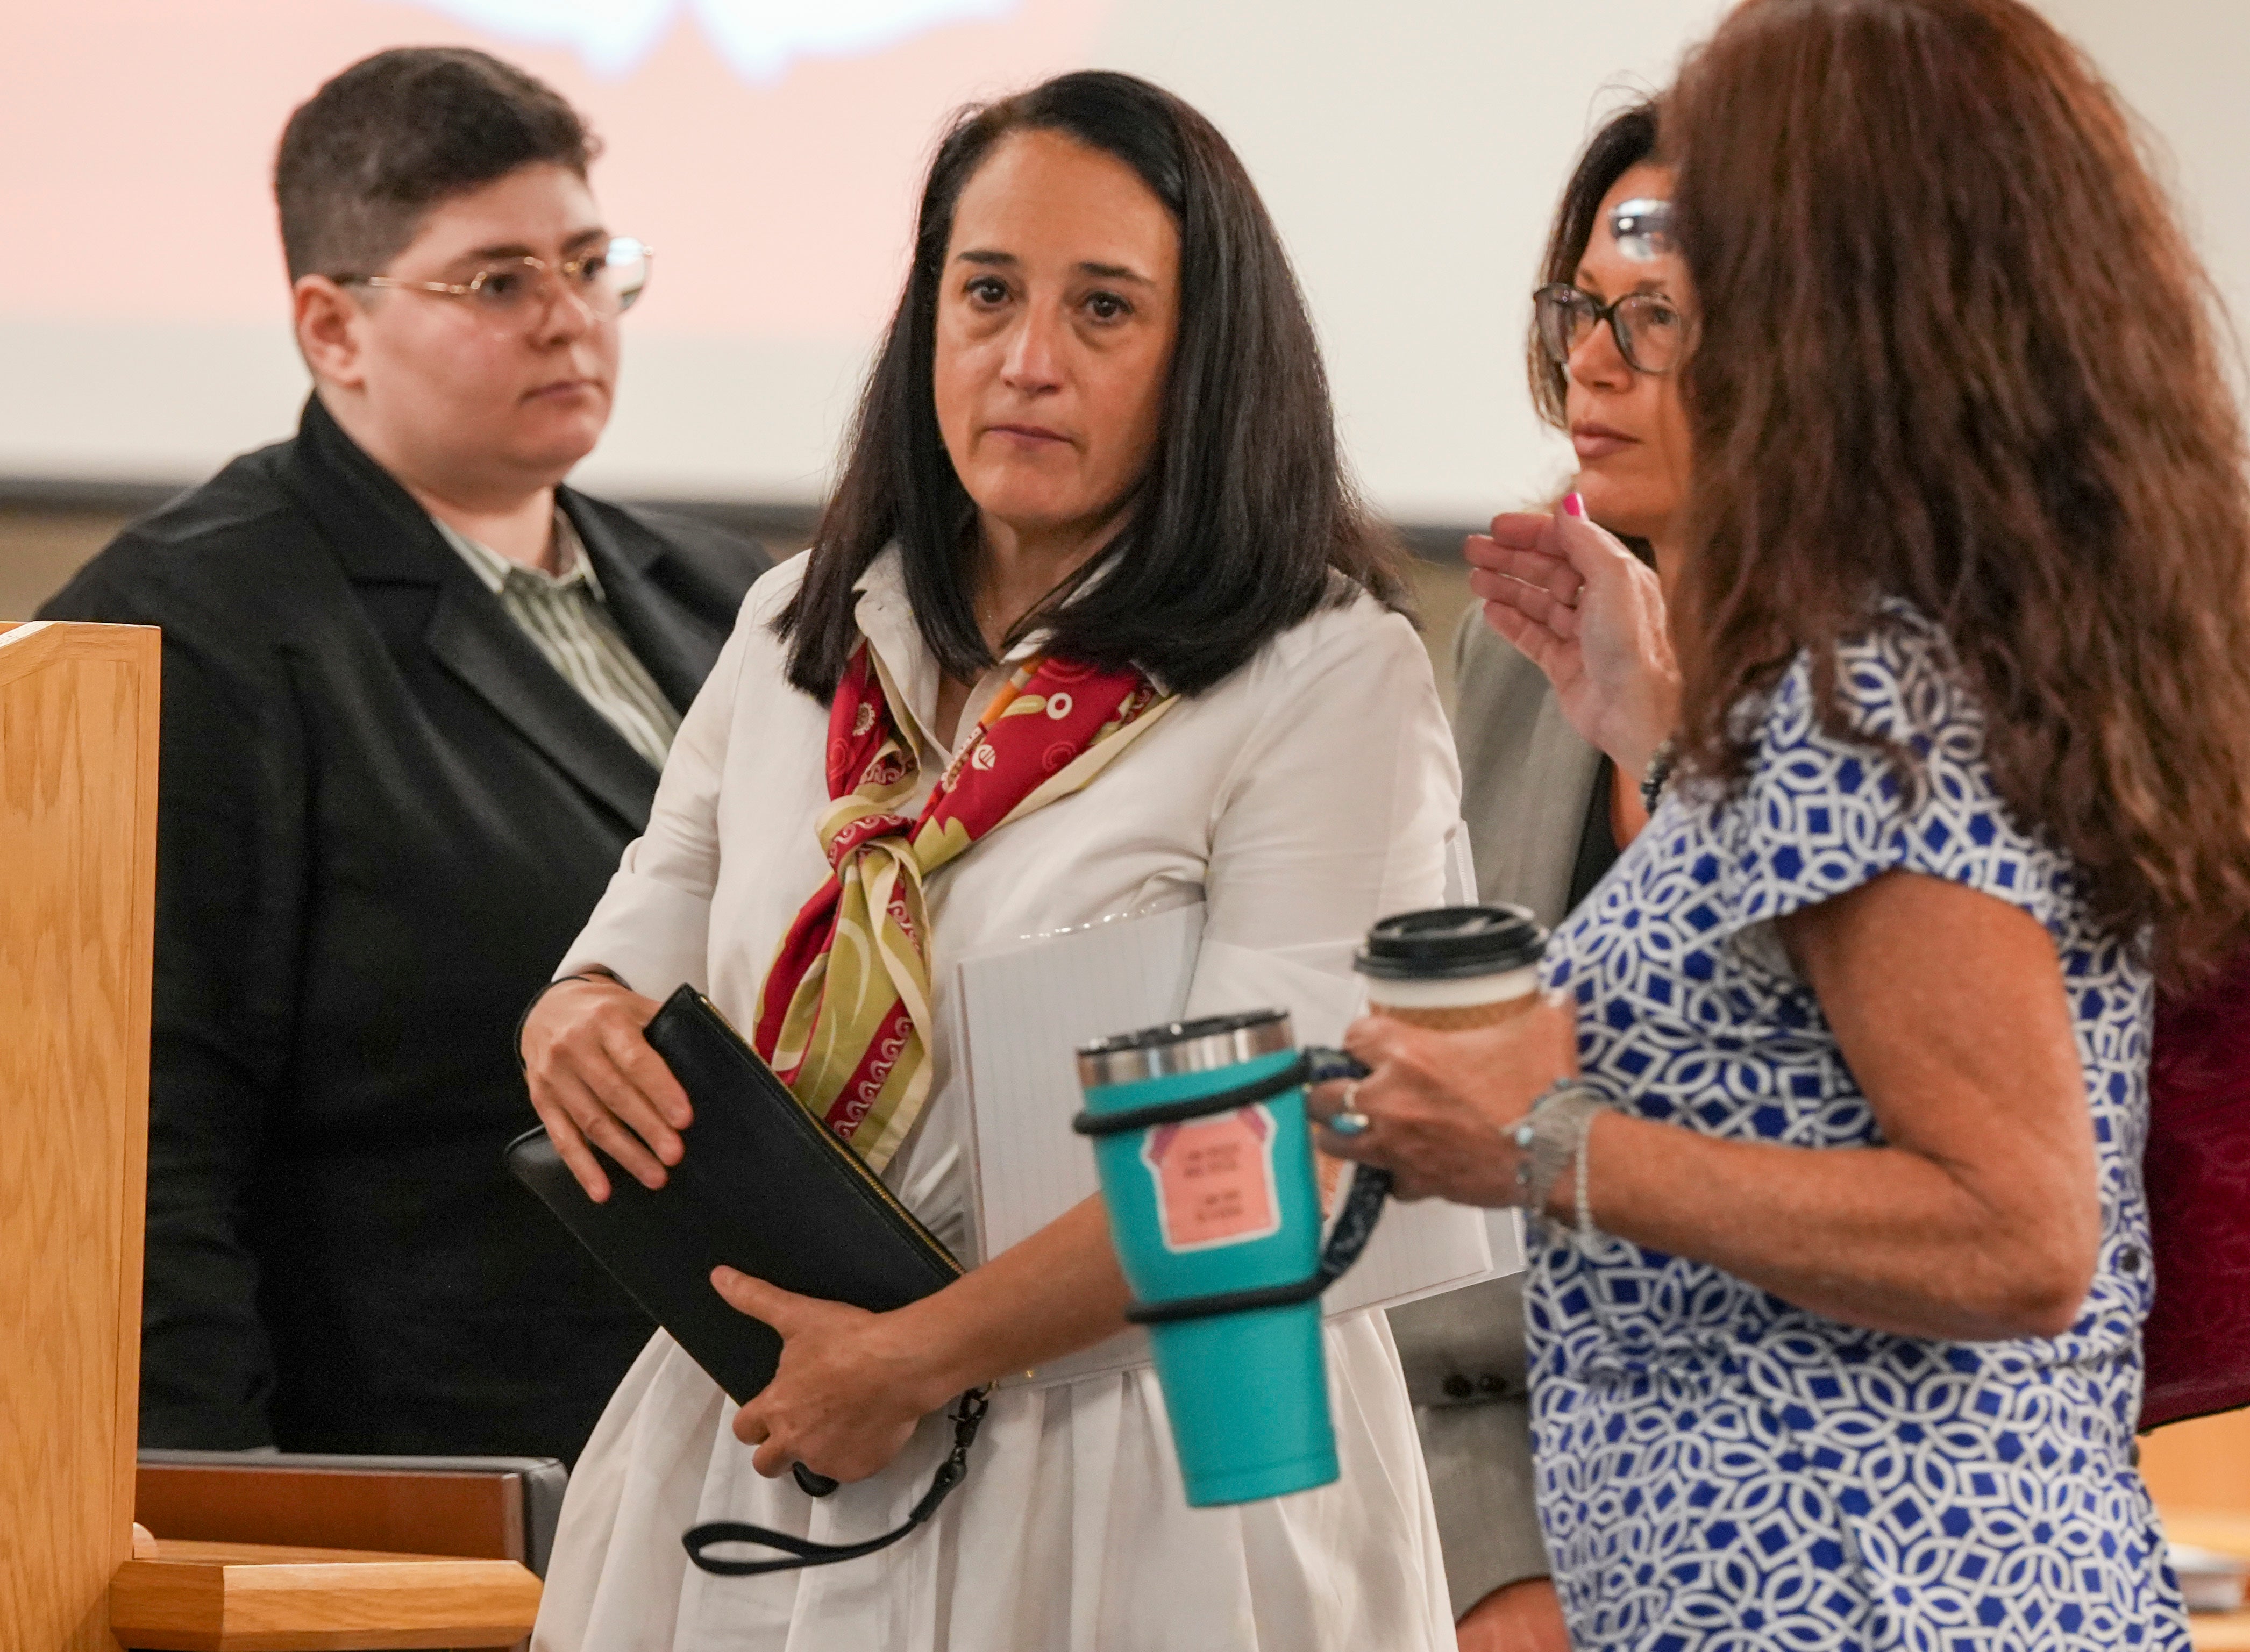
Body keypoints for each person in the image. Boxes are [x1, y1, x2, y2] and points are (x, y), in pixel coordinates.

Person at [1317, 0, 2250, 1644]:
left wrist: (1540, 1144)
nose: (1607, 356)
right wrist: (1668, 743)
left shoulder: (1863, 678)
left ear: (1831, 298)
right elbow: (1822, 1048)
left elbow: (2015, 1232)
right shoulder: (1896, 658)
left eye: (1690, 284)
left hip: (1873, 1600)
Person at [521, 70, 1462, 1652]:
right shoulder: (798, 626)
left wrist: (913, 1358)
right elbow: (639, 938)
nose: (1028, 360)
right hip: (784, 1422)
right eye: (987, 293)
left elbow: (1280, 1153)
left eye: (1105, 309)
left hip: (1154, 1460)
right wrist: (575, 1023)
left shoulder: (1321, 674)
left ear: (1206, 359)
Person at [39, 48, 767, 1463]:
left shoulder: (727, 593)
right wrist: (202, 1525)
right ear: (332, 327)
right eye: (499, 282)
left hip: (764, 1449)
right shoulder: (187, 632)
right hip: (437, 1481)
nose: (572, 321)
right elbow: (135, 1155)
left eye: (588, 262)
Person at [1389, 101, 1672, 1652]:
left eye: (1659, 319)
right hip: (1533, 1564)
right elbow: (1437, 1217)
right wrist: (1497, 1570)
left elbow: (2012, 1242)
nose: (1592, 365)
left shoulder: (1953, 681)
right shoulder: (1521, 636)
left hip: (1843, 1540)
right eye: (1580, 312)